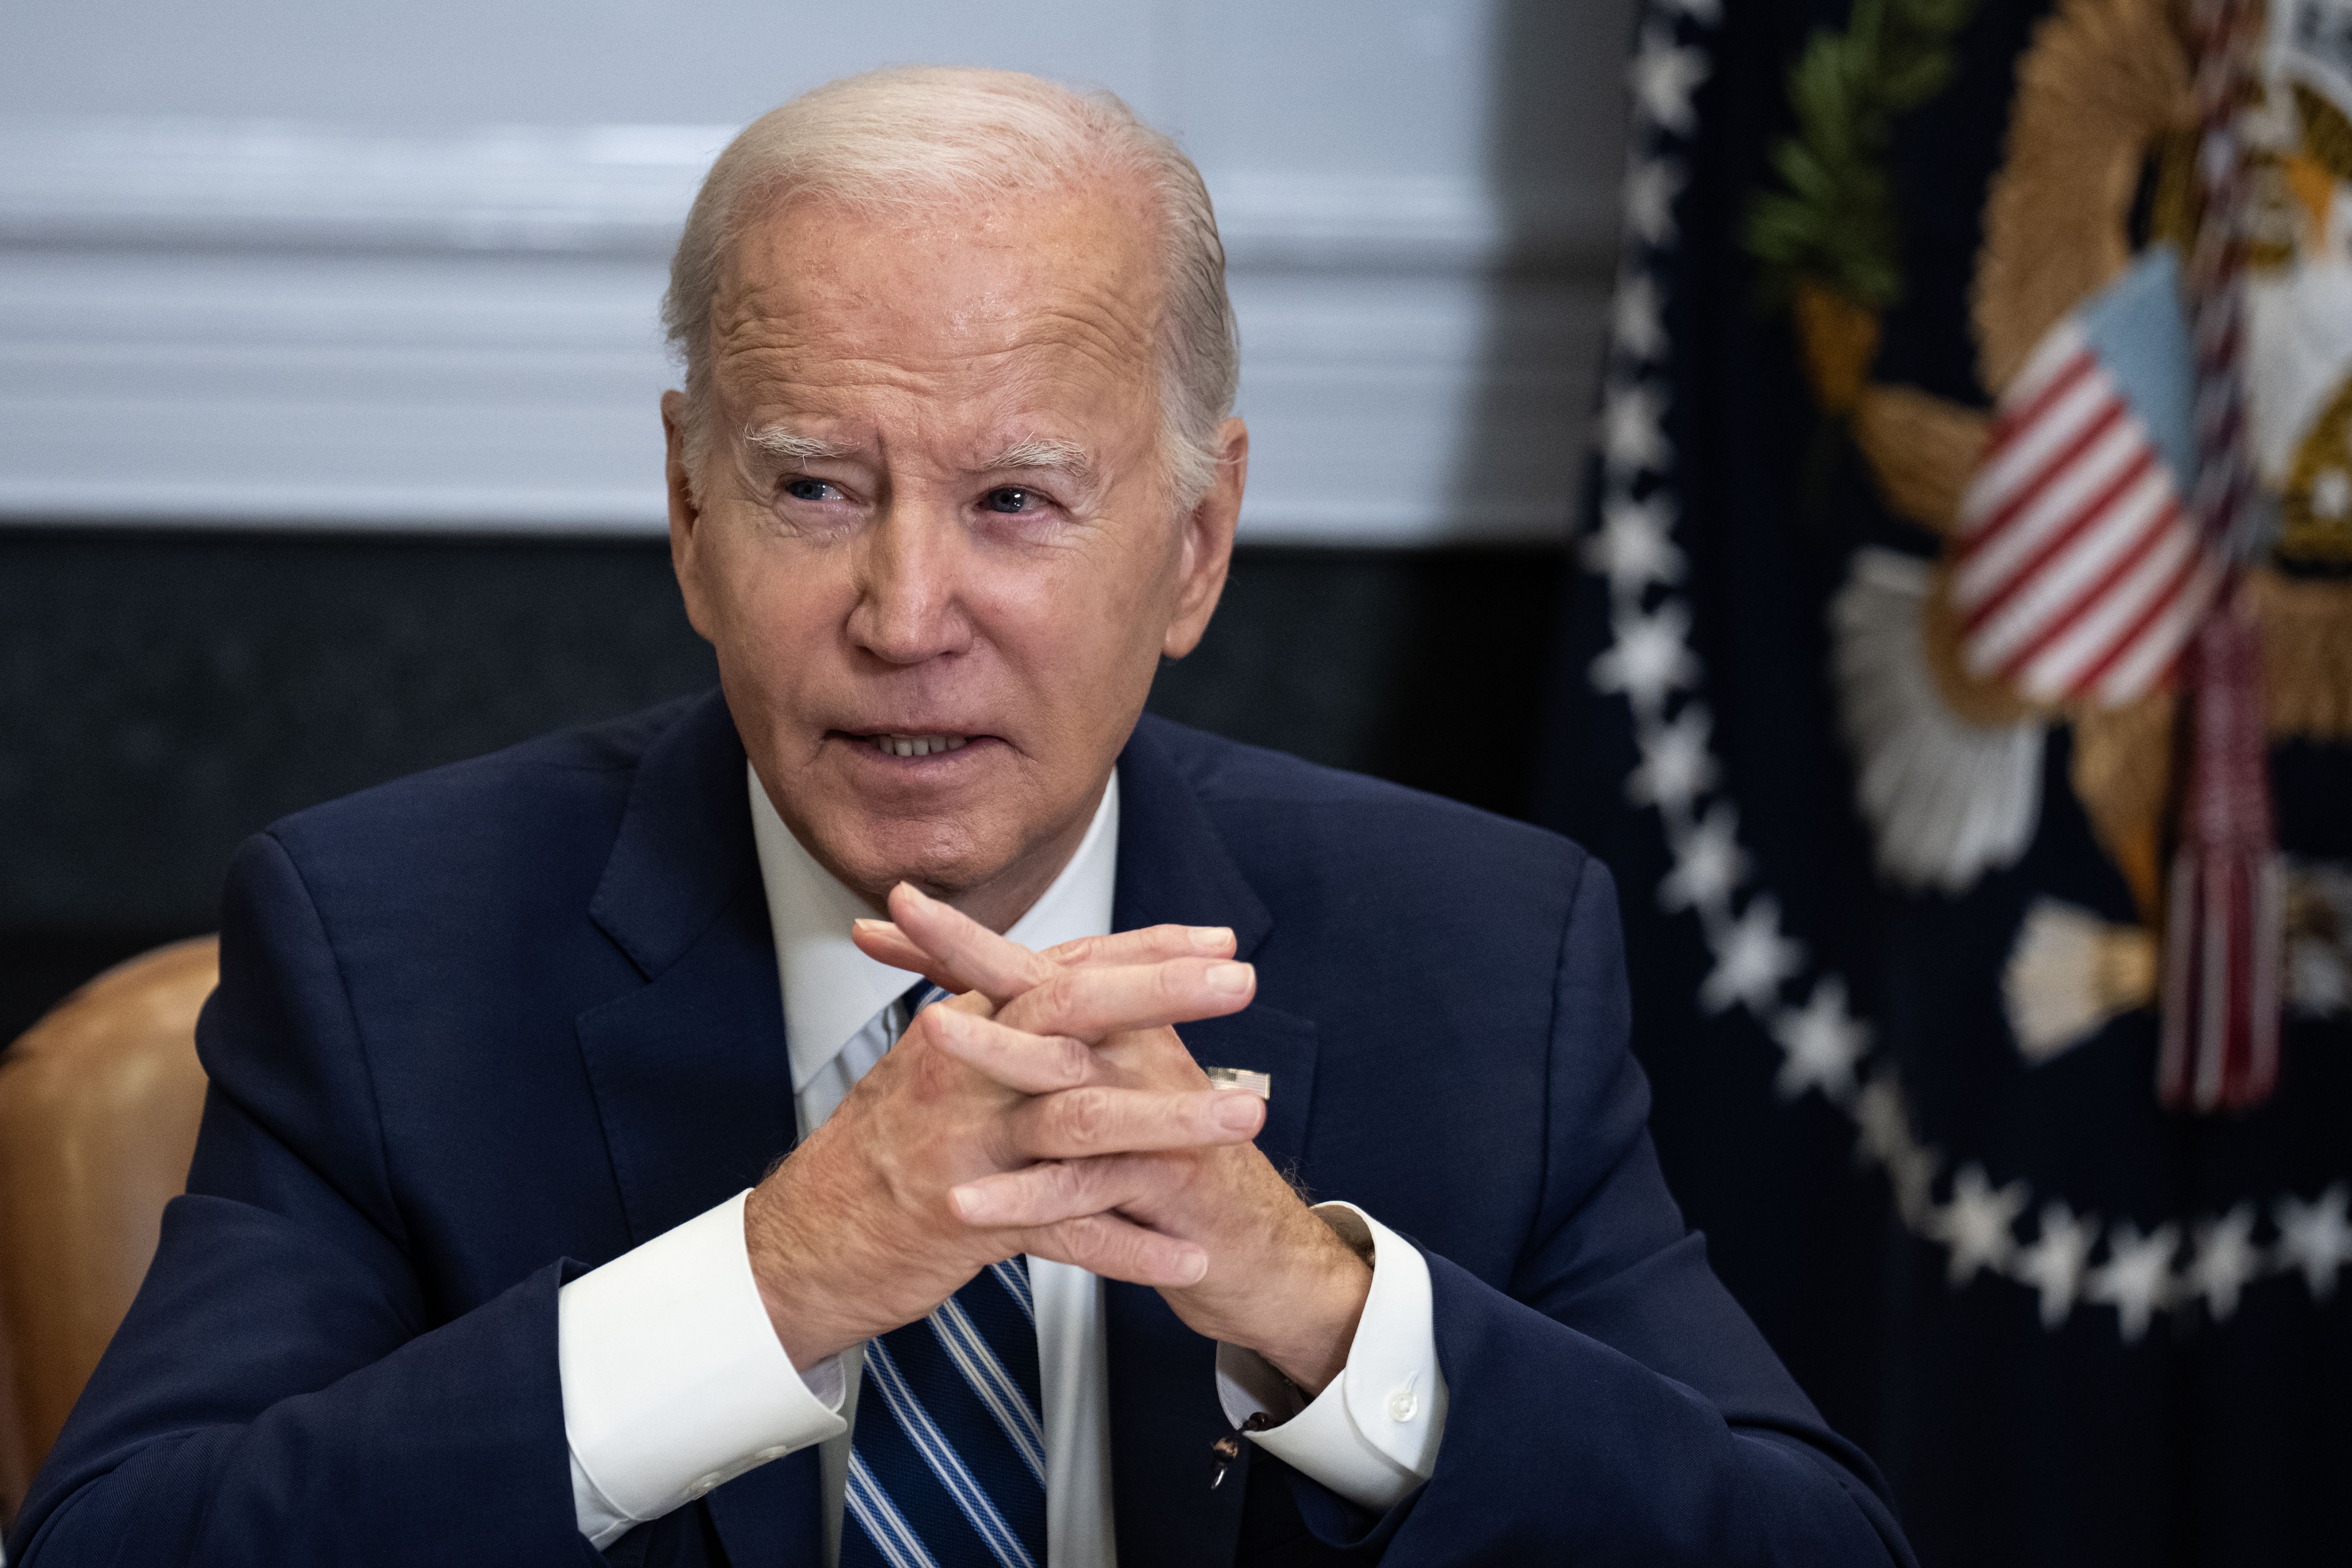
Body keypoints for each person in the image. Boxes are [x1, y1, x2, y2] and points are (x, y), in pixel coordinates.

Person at [9, 67, 1914, 1568]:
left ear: (1194, 543)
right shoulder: (380, 943)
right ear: (688, 508)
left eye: (1013, 500)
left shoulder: (1479, 950)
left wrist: (1316, 1308)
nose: (905, 614)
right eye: (814, 486)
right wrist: (769, 1279)